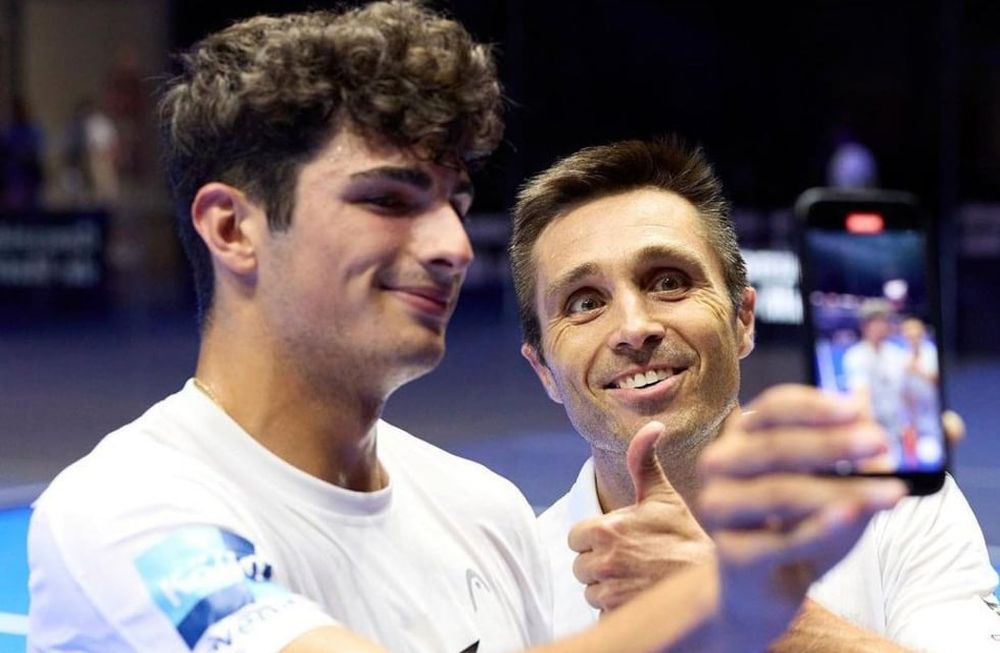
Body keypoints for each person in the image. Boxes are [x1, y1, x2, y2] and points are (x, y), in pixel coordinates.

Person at [26, 5, 908, 652]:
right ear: (233, 228)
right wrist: (738, 588)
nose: (450, 244)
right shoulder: (128, 508)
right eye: (387, 199)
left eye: (453, 201)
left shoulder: (481, 513)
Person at [509, 137, 1000, 651]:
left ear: (742, 320)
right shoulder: (518, 577)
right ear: (543, 368)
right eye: (585, 302)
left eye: (669, 281)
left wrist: (746, 610)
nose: (634, 327)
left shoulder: (882, 504)